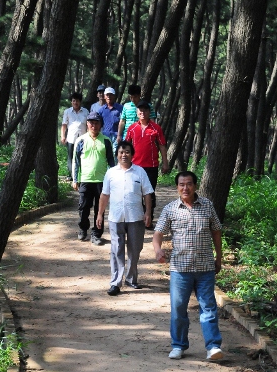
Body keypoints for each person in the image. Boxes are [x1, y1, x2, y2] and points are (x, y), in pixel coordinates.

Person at [152, 171, 224, 361]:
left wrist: (219, 257)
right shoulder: (170, 209)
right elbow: (158, 233)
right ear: (177, 187)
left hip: (205, 267)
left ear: (195, 186)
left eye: (189, 184)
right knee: (178, 309)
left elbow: (216, 231)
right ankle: (178, 345)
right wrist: (158, 250)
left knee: (208, 308)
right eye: (182, 185)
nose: (186, 188)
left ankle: (213, 346)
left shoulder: (207, 206)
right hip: (180, 269)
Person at [96, 141, 153, 296]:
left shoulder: (140, 172)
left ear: (132, 154)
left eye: (127, 152)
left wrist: (148, 213)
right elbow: (104, 195)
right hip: (116, 217)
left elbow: (147, 193)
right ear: (117, 155)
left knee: (135, 250)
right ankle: (115, 282)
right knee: (116, 250)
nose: (124, 155)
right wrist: (100, 214)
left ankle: (131, 278)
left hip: (136, 217)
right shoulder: (111, 173)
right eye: (121, 152)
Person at [72, 112, 115, 245]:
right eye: (91, 122)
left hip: (102, 182)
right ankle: (83, 229)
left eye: (96, 123)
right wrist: (75, 179)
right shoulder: (80, 140)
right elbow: (75, 162)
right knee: (83, 207)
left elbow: (111, 163)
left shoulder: (106, 141)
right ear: (87, 124)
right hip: (85, 180)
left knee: (99, 210)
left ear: (100, 125)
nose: (93, 125)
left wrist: (113, 180)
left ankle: (96, 234)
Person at [125, 99, 170, 226]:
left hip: (151, 166)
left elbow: (162, 146)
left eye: (145, 110)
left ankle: (148, 218)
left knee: (149, 193)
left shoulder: (156, 128)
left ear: (149, 112)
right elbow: (126, 147)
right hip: (135, 166)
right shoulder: (132, 128)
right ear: (137, 112)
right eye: (140, 110)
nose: (142, 112)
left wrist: (165, 163)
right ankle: (137, 218)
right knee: (135, 192)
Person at [61, 92, 89, 178]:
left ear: (80, 102)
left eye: (77, 101)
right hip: (71, 138)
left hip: (83, 138)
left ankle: (81, 174)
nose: (75, 103)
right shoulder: (67, 112)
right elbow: (64, 125)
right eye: (73, 101)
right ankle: (72, 175)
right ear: (71, 102)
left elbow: (88, 125)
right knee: (71, 157)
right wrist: (63, 136)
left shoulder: (85, 111)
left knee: (82, 157)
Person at [98, 87, 123, 161]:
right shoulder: (101, 110)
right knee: (106, 155)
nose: (109, 97)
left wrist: (119, 135)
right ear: (104, 96)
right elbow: (99, 123)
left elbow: (123, 122)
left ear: (114, 96)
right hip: (105, 136)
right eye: (107, 95)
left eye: (111, 95)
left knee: (115, 156)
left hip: (116, 136)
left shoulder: (120, 108)